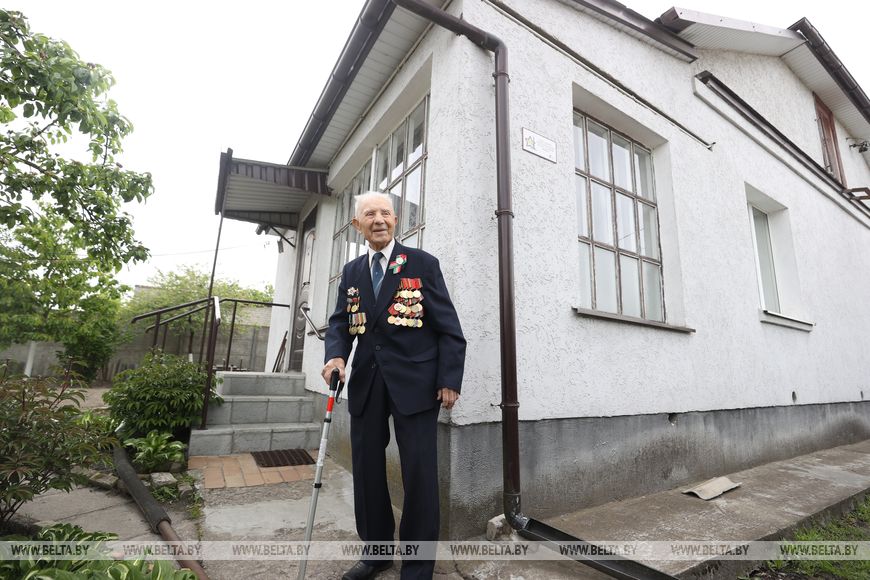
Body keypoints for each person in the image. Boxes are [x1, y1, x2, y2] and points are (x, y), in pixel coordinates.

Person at [322, 191, 466, 580]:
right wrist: (335, 357)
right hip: (367, 382)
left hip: (416, 384)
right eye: (370, 214)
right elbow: (339, 323)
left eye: (385, 213)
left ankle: (417, 567)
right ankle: (377, 553)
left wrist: (449, 379)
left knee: (419, 474)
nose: (379, 220)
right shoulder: (352, 271)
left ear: (396, 220)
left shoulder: (422, 263)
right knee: (367, 470)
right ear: (358, 225)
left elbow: (449, 328)